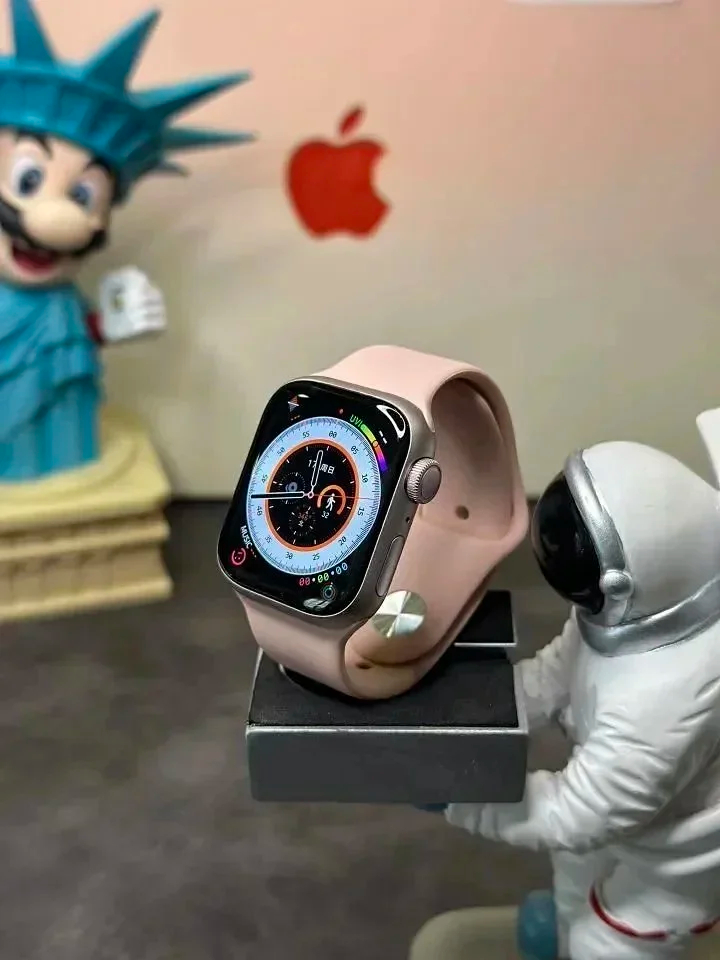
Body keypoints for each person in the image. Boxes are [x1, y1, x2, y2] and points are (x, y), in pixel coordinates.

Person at [440, 409, 720, 959]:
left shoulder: (670, 697)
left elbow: (577, 811)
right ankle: (570, 929)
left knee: (608, 941)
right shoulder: (636, 605)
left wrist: (456, 797)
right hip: (635, 808)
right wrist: (470, 714)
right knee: (575, 871)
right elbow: (555, 676)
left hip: (682, 856)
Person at [0, 0, 252, 481]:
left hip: (68, 454)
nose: (60, 220)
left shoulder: (62, 304)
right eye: (28, 180)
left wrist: (108, 327)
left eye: (83, 195)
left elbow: (73, 344)